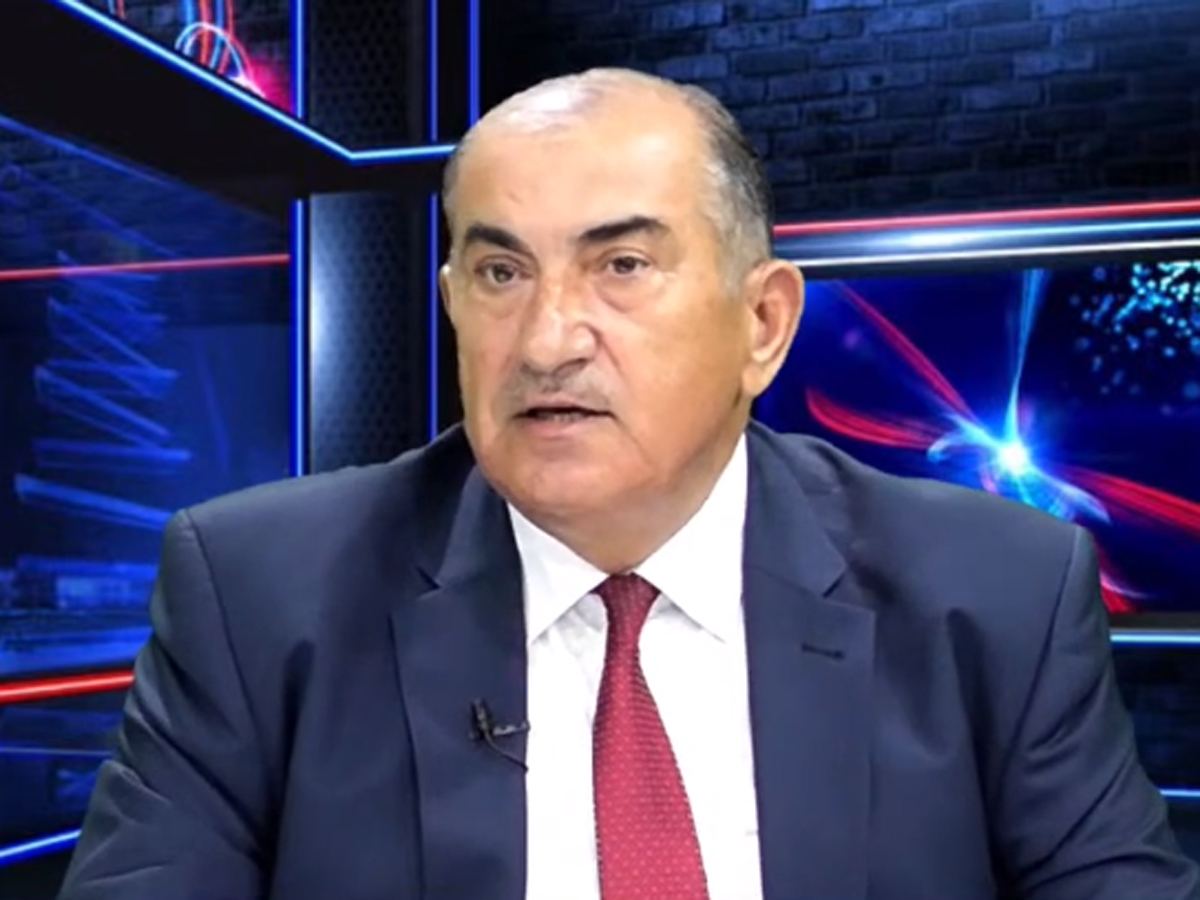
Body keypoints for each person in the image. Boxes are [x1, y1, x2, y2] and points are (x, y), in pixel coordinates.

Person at [60, 68, 1198, 900]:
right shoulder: (259, 595)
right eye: (500, 272)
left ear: (763, 324)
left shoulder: (997, 593)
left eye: (622, 265)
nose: (548, 338)